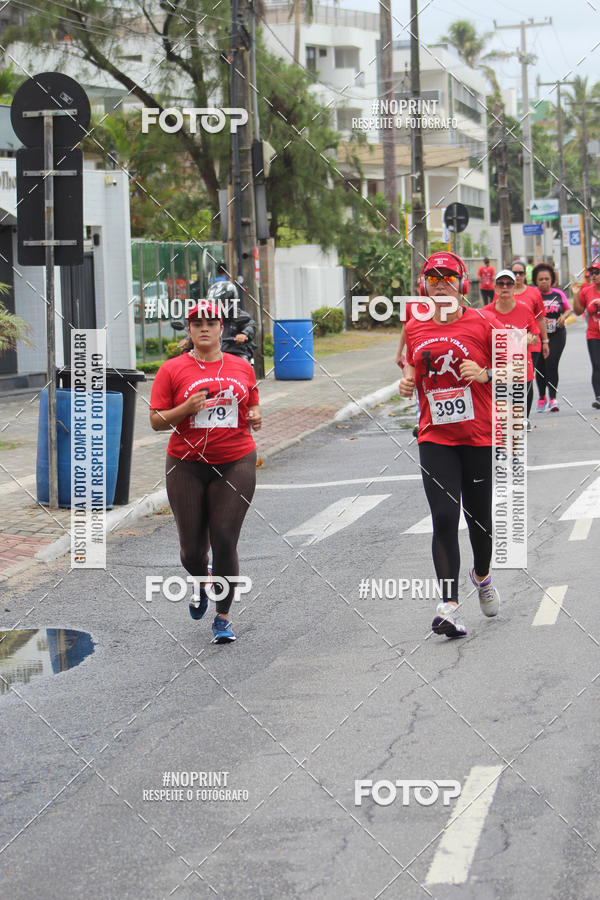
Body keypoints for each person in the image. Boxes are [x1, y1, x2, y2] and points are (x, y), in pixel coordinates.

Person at [399, 251, 500, 639]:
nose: (441, 283)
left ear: (463, 284)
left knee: (479, 521)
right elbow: (412, 362)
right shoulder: (415, 325)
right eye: (433, 277)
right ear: (424, 285)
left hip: (477, 436)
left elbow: (517, 368)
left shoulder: (483, 323)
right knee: (443, 517)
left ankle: (482, 575)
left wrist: (485, 372)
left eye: (448, 277)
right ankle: (449, 605)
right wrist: (408, 380)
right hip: (434, 436)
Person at [149, 301, 262, 644]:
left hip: (236, 459)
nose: (204, 328)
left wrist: (255, 415)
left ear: (222, 327)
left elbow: (252, 402)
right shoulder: (172, 369)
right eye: (197, 323)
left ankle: (223, 618)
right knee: (192, 552)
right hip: (187, 464)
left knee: (225, 537)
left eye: (211, 322)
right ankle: (202, 579)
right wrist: (186, 407)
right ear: (189, 329)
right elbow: (155, 421)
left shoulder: (242, 366)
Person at [509, 261, 550, 422]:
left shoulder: (534, 293)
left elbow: (541, 319)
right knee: (511, 380)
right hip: (509, 345)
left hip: (531, 343)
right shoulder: (504, 291)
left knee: (526, 380)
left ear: (525, 275)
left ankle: (524, 417)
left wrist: (545, 341)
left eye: (520, 273)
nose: (518, 276)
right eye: (515, 273)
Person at [532, 262, 570, 412]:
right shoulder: (533, 295)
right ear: (536, 280)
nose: (544, 282)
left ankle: (553, 398)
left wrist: (563, 317)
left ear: (551, 279)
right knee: (540, 366)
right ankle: (542, 397)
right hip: (539, 335)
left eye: (547, 279)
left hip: (557, 335)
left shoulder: (558, 294)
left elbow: (567, 309)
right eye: (541, 279)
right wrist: (540, 321)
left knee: (551, 364)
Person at [207, 270, 257, 362]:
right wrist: (188, 340)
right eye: (214, 303)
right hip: (213, 352)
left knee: (243, 363)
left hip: (236, 352)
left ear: (230, 300)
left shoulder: (239, 315)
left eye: (220, 302)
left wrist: (244, 334)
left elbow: (250, 325)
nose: (217, 305)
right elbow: (198, 329)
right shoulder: (209, 318)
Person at [573, 260, 600, 407]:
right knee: (597, 365)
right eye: (592, 273)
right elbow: (578, 311)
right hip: (594, 334)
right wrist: (576, 295)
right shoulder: (586, 291)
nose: (594, 276)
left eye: (597, 273)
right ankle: (598, 397)